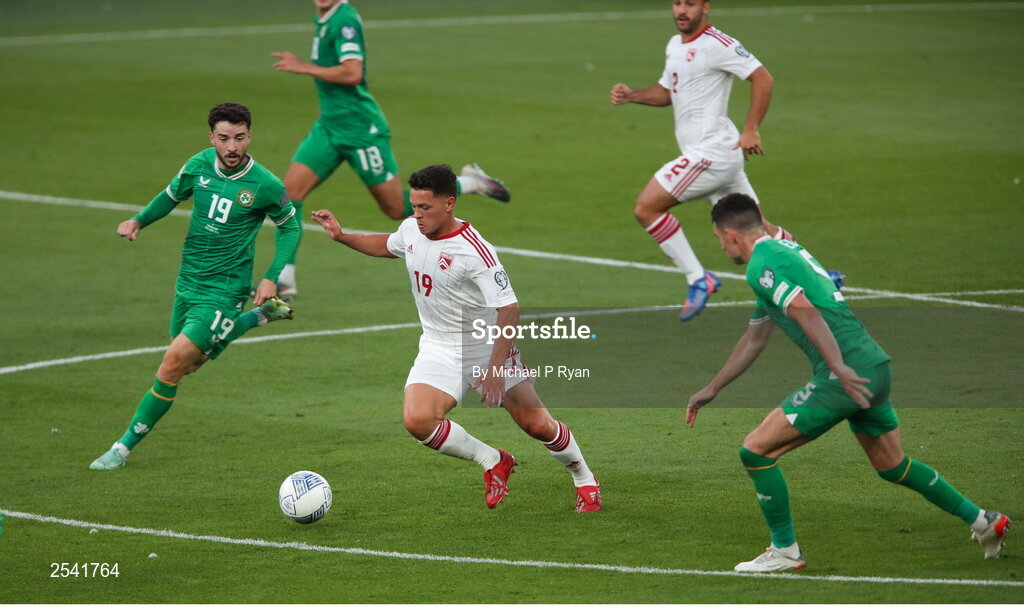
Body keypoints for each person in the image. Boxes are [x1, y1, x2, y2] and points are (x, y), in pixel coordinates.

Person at [685, 193, 1010, 571]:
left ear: (730, 234)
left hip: (844, 374)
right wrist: (714, 388)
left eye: (717, 239)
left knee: (756, 451)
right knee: (893, 465)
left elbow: (805, 311)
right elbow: (755, 338)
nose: (721, 247)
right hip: (874, 364)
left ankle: (785, 552)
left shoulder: (761, 265)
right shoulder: (786, 251)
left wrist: (837, 366)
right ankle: (984, 521)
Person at [311, 164, 601, 512]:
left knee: (537, 425)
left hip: (485, 348)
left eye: (425, 208)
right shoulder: (411, 230)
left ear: (449, 203)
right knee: (417, 421)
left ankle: (584, 478)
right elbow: (387, 245)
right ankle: (493, 460)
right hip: (438, 347)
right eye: (414, 206)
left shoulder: (474, 250)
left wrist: (495, 369)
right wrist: (342, 236)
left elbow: (509, 308)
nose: (417, 216)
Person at [89, 103, 300, 470]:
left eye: (239, 138)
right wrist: (139, 220)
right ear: (212, 138)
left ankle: (122, 447)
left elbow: (290, 227)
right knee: (191, 363)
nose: (232, 147)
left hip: (226, 289)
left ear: (250, 136)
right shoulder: (198, 165)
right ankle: (258, 316)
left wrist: (271, 275)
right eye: (223, 138)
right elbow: (170, 197)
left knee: (171, 365)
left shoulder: (265, 184)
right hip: (188, 281)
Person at [270, 0, 511, 301]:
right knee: (288, 194)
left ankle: (472, 182)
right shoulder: (324, 15)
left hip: (361, 130)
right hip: (329, 127)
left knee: (397, 209)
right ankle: (284, 279)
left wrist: (303, 67)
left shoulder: (344, 20)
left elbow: (351, 73)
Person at [611, 0, 793, 321]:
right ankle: (812, 272)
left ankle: (698, 278)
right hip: (715, 157)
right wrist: (632, 95)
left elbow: (763, 78)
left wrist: (752, 129)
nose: (682, 10)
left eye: (690, 3)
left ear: (705, 7)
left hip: (713, 153)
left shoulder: (718, 44)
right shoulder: (674, 45)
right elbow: (669, 91)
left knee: (646, 207)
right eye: (677, 3)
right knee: (755, 232)